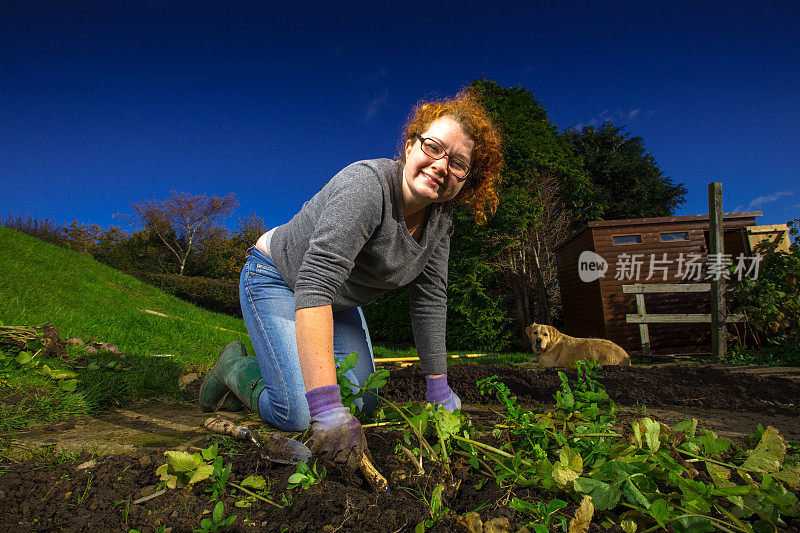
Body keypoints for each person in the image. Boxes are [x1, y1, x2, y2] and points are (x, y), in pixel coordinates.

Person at [199, 89, 503, 478]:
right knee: (299, 412)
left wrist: (439, 391)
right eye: (433, 147)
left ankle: (279, 369)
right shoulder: (367, 187)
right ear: (410, 147)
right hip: (277, 277)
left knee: (363, 404)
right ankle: (235, 368)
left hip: (336, 300)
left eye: (458, 163)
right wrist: (326, 411)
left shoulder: (441, 223)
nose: (442, 165)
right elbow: (315, 283)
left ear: (465, 180)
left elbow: (429, 304)